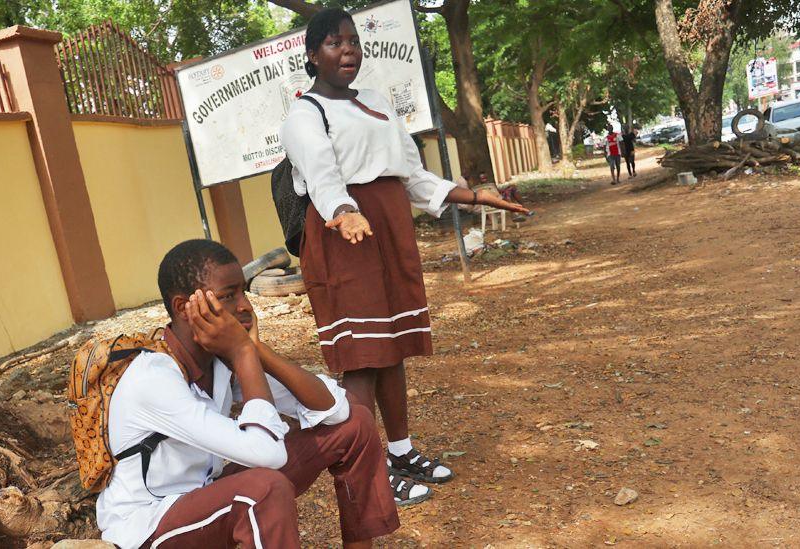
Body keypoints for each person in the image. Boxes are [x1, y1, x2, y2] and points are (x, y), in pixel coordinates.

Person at [280, 8, 527, 505]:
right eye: (334, 43)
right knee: (362, 357)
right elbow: (323, 177)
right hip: (342, 235)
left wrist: (475, 197)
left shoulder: (374, 102)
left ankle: (400, 449)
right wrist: (346, 212)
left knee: (391, 348)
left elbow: (411, 174)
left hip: (388, 230)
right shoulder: (305, 114)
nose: (348, 50)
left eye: (352, 41)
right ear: (312, 55)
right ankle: (365, 470)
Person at [95, 239, 399, 549]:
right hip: (148, 528)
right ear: (184, 308)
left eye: (243, 291)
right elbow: (268, 454)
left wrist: (256, 352)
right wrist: (242, 352)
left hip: (205, 498)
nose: (244, 306)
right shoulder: (154, 378)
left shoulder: (219, 358)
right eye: (227, 296)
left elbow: (338, 411)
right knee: (263, 489)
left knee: (356, 424)